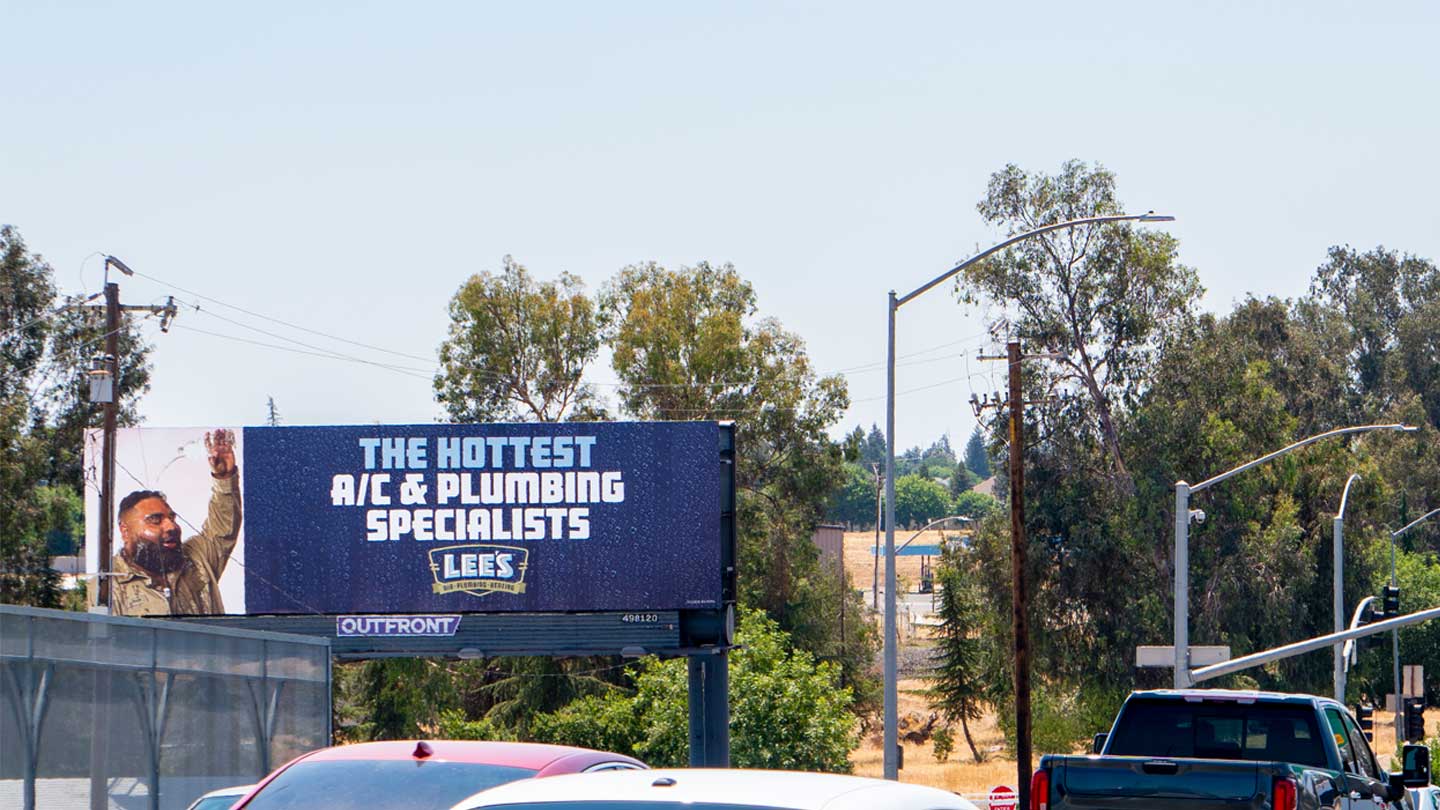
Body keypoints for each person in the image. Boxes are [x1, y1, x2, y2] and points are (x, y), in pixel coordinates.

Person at [110, 429, 242, 617]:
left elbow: (223, 530)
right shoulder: (108, 587)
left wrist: (224, 478)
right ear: (125, 531)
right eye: (155, 520)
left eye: (171, 518)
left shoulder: (197, 560)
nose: (171, 527)